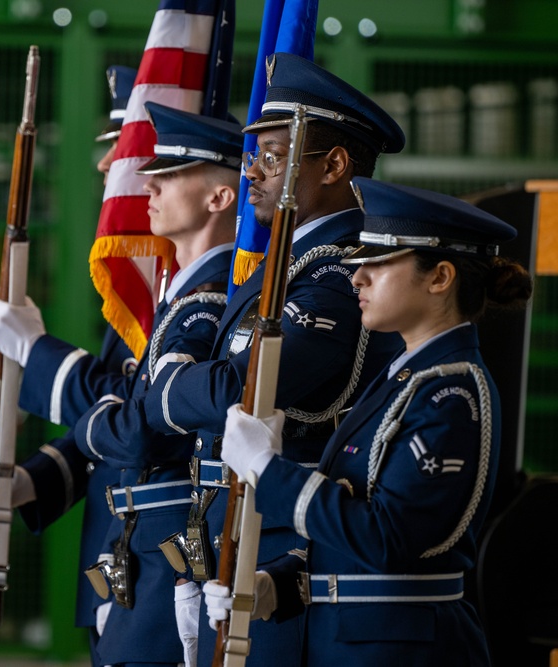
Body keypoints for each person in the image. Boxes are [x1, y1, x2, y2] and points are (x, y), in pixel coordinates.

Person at [74, 52, 407, 667]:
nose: (252, 171)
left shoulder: (336, 273)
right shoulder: (279, 272)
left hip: (284, 540)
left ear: (333, 165)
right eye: (253, 155)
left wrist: (172, 383)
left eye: (274, 156)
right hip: (232, 533)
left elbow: (237, 390)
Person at [207, 177, 533, 666]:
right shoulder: (404, 378)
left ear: (440, 277)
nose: (357, 277)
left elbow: (386, 539)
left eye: (378, 264)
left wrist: (267, 469)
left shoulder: (451, 393)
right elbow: (354, 547)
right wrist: (275, 585)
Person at [0, 65, 140, 666]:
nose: (104, 167)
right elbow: (110, 422)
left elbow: (140, 421)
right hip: (118, 554)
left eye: (123, 151)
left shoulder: (195, 288)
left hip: (161, 556)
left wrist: (36, 352)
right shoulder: (151, 282)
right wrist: (30, 483)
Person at [73, 102, 244, 667]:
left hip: (171, 539)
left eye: (169, 175)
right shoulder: (180, 299)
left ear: (220, 197)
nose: (147, 183)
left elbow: (146, 433)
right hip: (143, 541)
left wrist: (91, 422)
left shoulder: (208, 303)